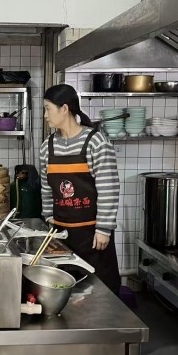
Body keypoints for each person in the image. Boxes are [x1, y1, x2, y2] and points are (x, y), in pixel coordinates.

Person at [39, 84, 121, 295]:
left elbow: (109, 188)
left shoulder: (96, 142)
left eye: (48, 109)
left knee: (101, 294)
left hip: (93, 237)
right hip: (62, 235)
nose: (45, 115)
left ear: (64, 109)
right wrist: (49, 218)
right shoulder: (47, 146)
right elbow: (46, 188)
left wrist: (104, 229)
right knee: (66, 291)